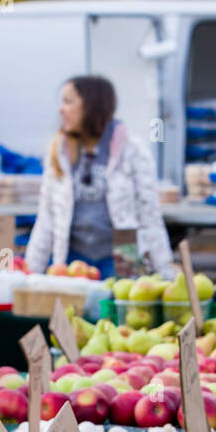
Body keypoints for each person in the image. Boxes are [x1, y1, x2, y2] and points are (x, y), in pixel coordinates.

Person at [25, 75, 174, 279]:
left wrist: (167, 276)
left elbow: (150, 216)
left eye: (68, 101)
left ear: (91, 106)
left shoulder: (132, 150)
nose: (61, 109)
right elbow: (45, 221)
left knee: (120, 309)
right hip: (71, 258)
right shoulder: (59, 153)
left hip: (122, 256)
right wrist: (29, 275)